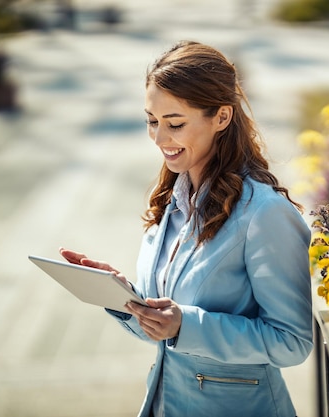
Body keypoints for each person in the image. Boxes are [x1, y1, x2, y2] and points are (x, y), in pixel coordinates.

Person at [59, 40, 313, 417]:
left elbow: (292, 342)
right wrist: (123, 297)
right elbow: (162, 329)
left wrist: (185, 325)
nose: (160, 139)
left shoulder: (265, 214)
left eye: (175, 123)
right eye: (152, 121)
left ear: (222, 118)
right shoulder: (171, 204)